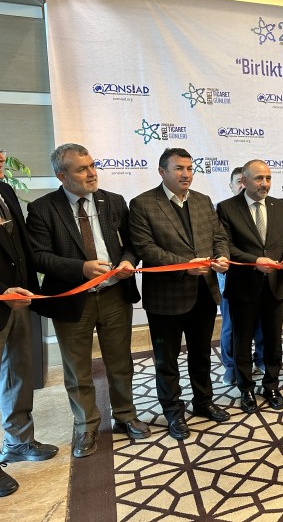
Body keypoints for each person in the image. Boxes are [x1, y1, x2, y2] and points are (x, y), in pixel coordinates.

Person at [26, 143, 148, 458]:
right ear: (62, 176)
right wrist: (81, 268)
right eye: (82, 169)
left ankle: (126, 415)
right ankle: (86, 425)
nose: (92, 173)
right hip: (72, 301)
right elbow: (39, 256)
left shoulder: (114, 201)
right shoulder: (42, 209)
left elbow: (132, 244)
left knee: (120, 361)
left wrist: (127, 261)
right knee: (77, 368)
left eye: (93, 166)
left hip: (114, 295)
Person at [129, 148, 230, 440]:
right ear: (162, 172)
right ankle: (173, 412)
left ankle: (203, 401)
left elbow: (219, 236)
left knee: (201, 353)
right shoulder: (143, 204)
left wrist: (221, 257)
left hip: (204, 292)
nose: (186, 174)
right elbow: (146, 248)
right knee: (167, 360)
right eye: (178, 169)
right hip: (166, 297)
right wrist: (185, 266)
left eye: (189, 168)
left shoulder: (202, 200)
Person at [217, 159, 283, 411]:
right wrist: (254, 261)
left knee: (273, 341)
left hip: (275, 286)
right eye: (259, 178)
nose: (265, 183)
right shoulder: (227, 208)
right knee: (242, 343)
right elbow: (225, 246)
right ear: (244, 180)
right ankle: (246, 389)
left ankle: (271, 385)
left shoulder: (280, 206)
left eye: (268, 178)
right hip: (243, 287)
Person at [0, 149, 58, 495]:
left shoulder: (5, 190)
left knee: (17, 373)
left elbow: (19, 247)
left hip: (19, 300)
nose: (1, 158)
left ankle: (19, 441)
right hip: (2, 297)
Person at [217, 168, 265, 385]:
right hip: (232, 280)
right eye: (238, 182)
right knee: (231, 328)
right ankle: (230, 366)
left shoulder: (263, 208)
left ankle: (261, 359)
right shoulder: (223, 209)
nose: (242, 186)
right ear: (231, 186)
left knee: (261, 324)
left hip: (260, 278)